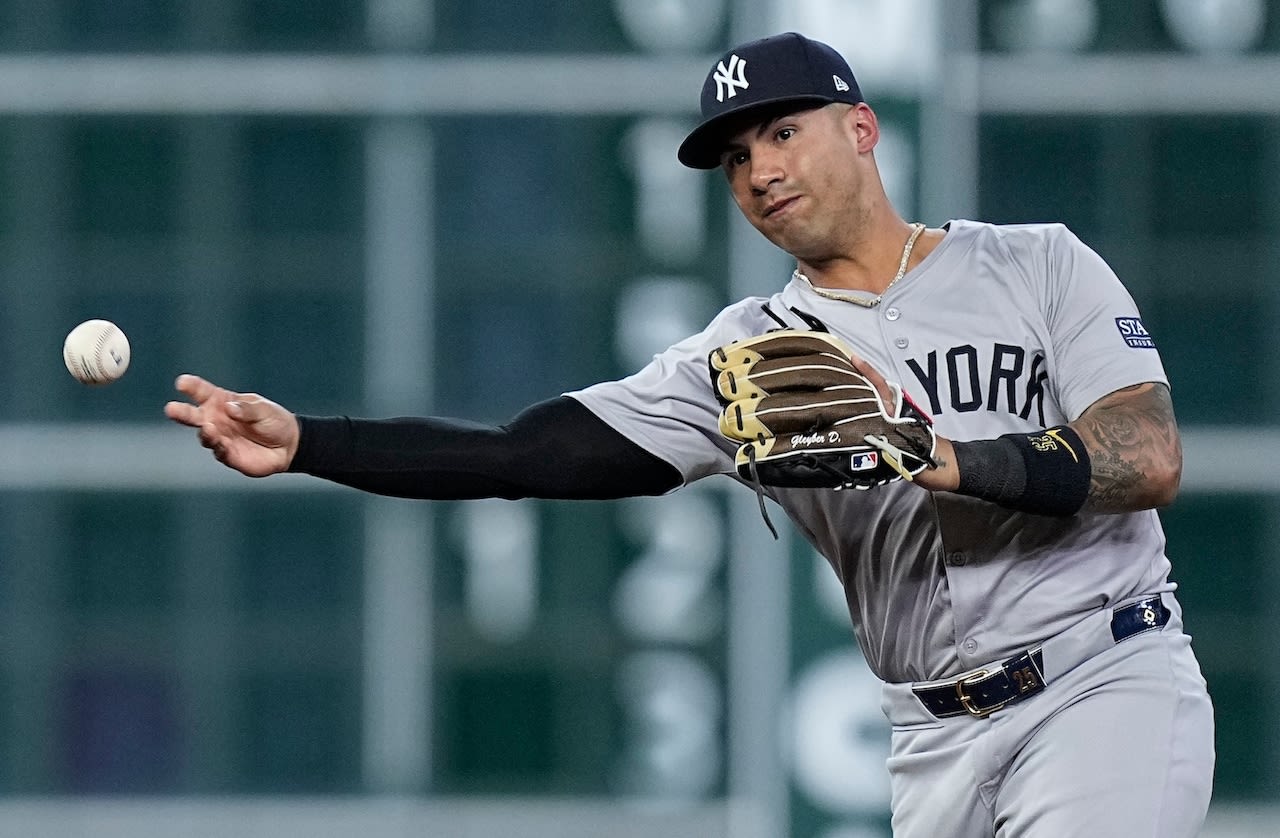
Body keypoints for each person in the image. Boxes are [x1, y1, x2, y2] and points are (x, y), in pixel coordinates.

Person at [166, 32, 1215, 837]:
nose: (757, 169)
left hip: (1098, 677)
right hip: (931, 735)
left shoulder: (1035, 265)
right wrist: (310, 439)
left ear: (860, 127)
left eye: (780, 131)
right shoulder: (746, 355)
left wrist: (941, 459)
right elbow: (521, 455)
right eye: (732, 156)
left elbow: (1145, 454)